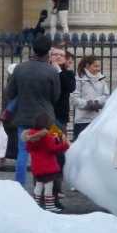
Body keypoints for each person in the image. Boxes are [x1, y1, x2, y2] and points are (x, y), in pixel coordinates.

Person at [5, 34, 61, 186]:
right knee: (49, 150)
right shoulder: (52, 71)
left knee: (22, 152)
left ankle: (19, 185)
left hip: (24, 116)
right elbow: (55, 96)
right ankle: (45, 186)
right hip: (46, 118)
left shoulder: (20, 68)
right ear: (48, 51)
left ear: (33, 49)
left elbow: (10, 93)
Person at [25, 112, 70, 212]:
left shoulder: (30, 135)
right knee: (49, 187)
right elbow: (53, 149)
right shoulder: (47, 136)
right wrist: (65, 145)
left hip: (36, 167)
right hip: (48, 167)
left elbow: (28, 149)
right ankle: (50, 205)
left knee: (38, 185)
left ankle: (35, 204)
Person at [50, 46, 76, 206]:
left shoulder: (67, 74)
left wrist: (59, 71)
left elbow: (70, 87)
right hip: (45, 118)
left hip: (59, 119)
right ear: (50, 56)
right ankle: (44, 187)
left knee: (58, 151)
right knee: (45, 152)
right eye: (55, 54)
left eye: (61, 55)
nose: (58, 57)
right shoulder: (45, 71)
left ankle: (56, 188)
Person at [70, 55, 110, 140]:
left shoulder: (101, 78)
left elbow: (106, 96)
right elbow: (74, 99)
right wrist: (88, 104)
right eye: (95, 66)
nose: (98, 69)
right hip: (82, 121)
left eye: (99, 66)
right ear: (87, 66)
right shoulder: (78, 79)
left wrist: (97, 102)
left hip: (98, 120)